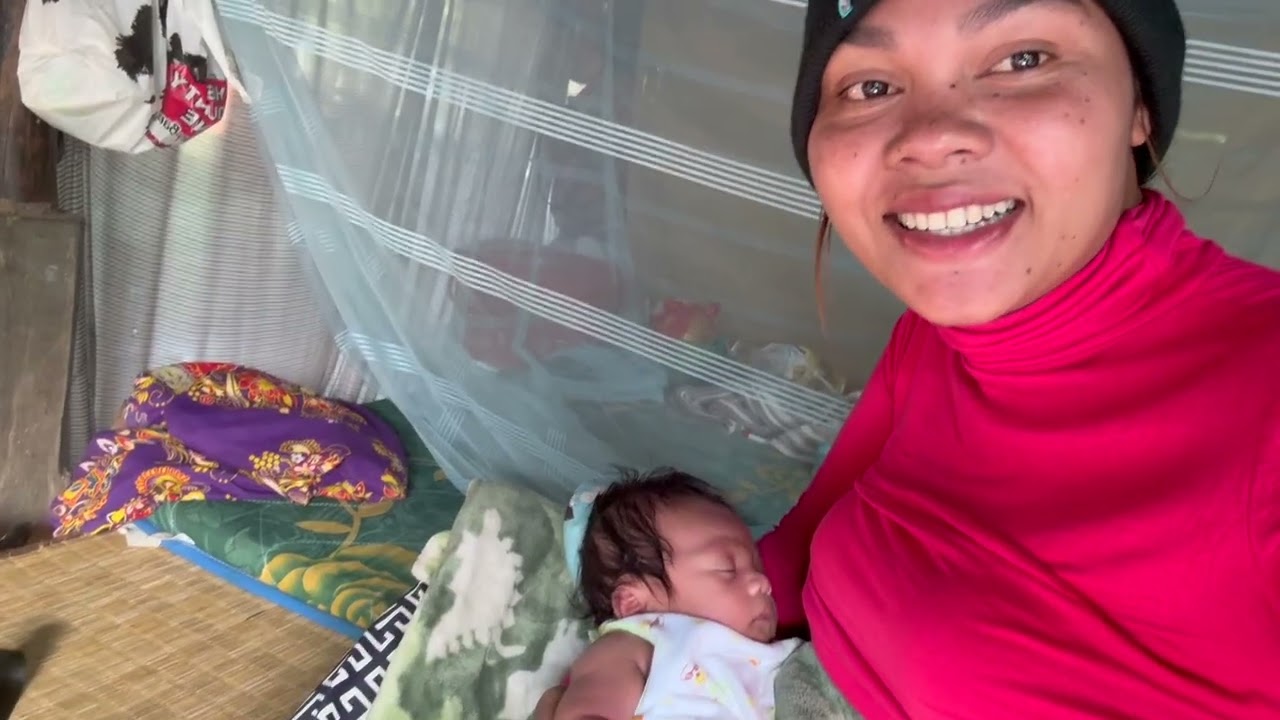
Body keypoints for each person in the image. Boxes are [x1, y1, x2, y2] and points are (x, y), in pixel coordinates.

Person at [756, 0, 1280, 718]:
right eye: (871, 87)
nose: (933, 137)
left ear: (1139, 107)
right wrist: (647, 636)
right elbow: (802, 546)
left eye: (1024, 60)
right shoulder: (936, 336)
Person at [546, 470, 801, 720]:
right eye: (728, 568)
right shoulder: (637, 641)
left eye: (757, 566)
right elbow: (588, 712)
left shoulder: (775, 654)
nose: (763, 582)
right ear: (633, 604)